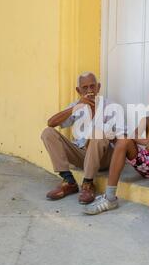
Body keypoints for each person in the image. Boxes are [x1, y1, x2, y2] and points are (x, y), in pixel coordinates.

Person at [83, 88, 149, 231]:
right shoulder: (147, 120)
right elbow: (134, 136)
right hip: (145, 164)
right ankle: (109, 198)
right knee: (124, 141)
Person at [41, 72, 123, 205]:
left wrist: (107, 133)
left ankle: (88, 184)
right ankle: (69, 181)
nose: (89, 91)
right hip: (82, 154)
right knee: (47, 133)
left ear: (98, 87)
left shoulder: (111, 107)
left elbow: (122, 138)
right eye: (85, 88)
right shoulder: (76, 106)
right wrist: (75, 107)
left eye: (92, 86)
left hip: (104, 156)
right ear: (78, 91)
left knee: (97, 133)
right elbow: (51, 123)